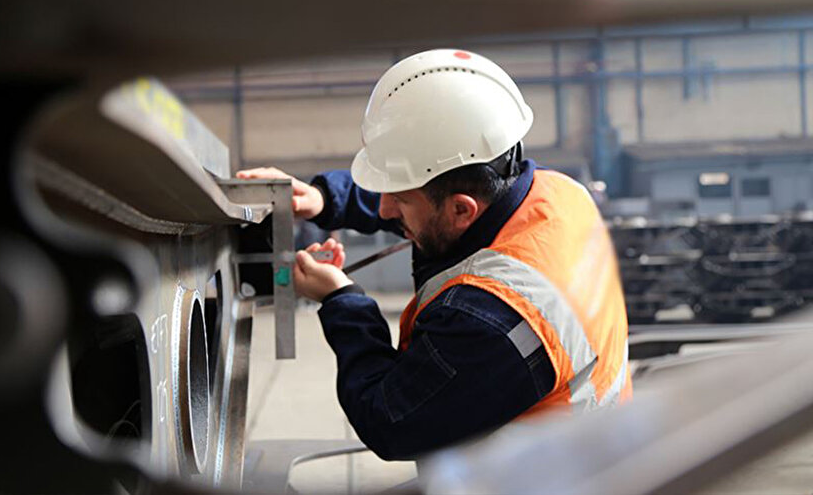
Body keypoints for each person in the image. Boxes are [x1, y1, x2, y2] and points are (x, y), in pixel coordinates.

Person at [237, 49, 630, 461]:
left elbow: (390, 420)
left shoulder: (494, 320)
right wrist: (323, 198)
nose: (385, 209)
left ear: (463, 209)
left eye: (399, 200)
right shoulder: (558, 194)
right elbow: (429, 202)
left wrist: (343, 302)